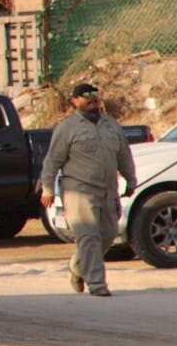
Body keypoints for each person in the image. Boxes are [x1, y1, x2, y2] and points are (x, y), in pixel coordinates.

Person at [39, 82, 136, 297]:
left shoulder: (112, 126)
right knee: (89, 236)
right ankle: (97, 284)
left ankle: (78, 267)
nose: (92, 99)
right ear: (75, 101)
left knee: (109, 234)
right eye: (85, 96)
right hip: (79, 189)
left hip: (108, 189)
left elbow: (123, 155)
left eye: (95, 94)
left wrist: (131, 179)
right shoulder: (67, 128)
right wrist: (47, 189)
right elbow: (52, 161)